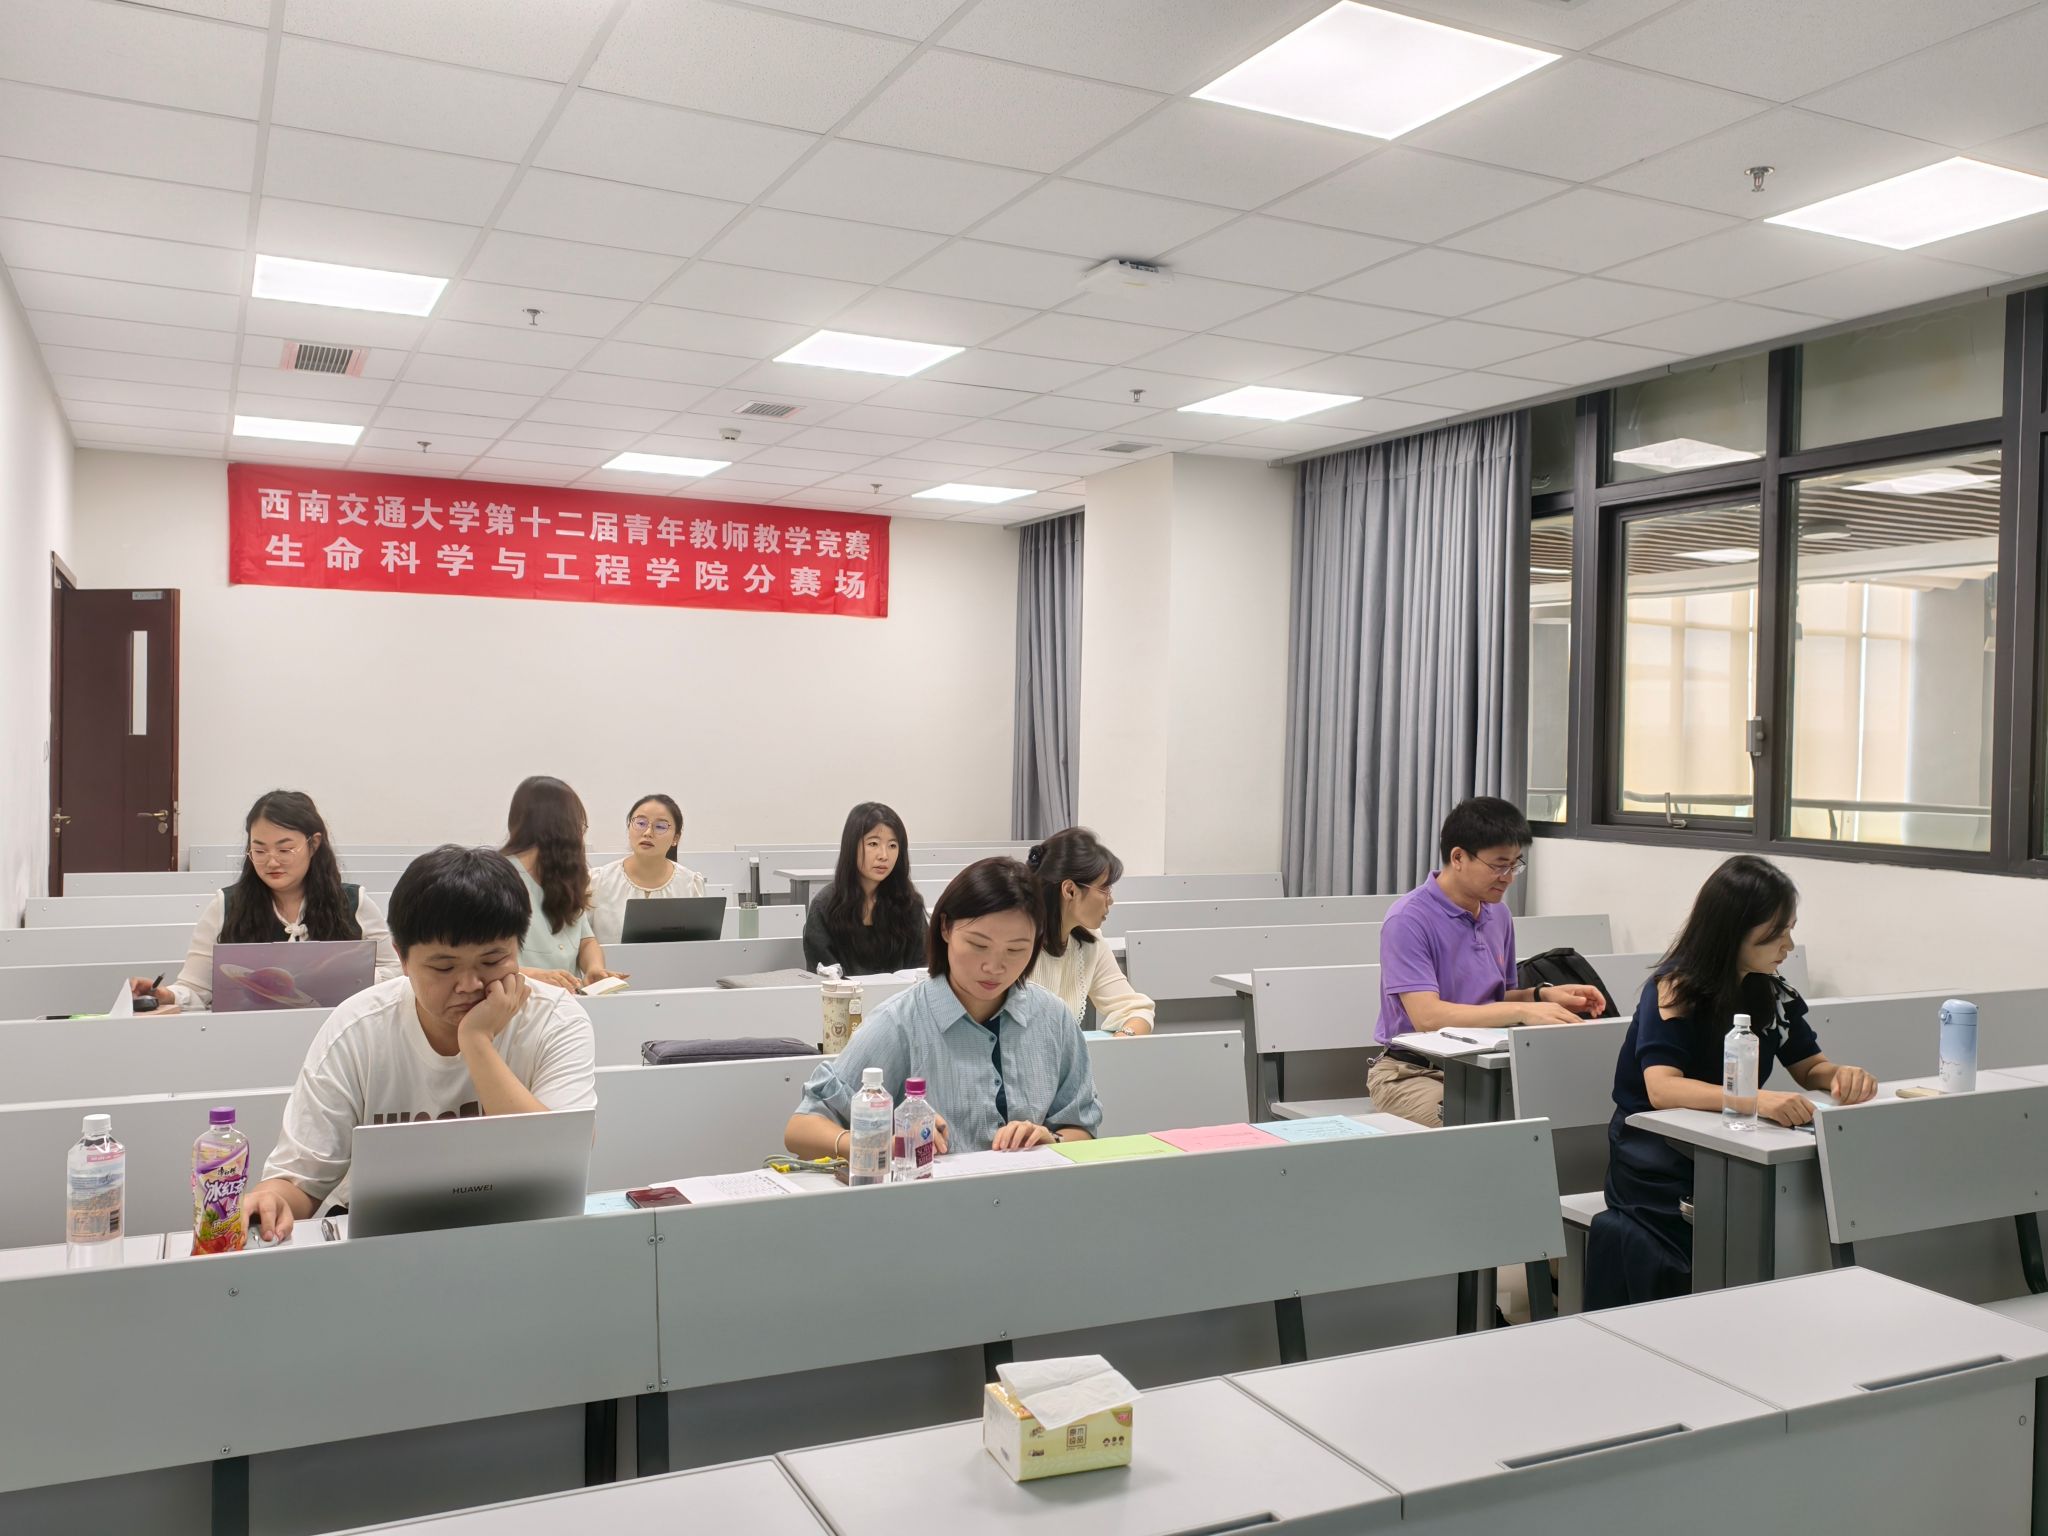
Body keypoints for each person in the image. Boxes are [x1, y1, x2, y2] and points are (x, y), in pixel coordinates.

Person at [242, 844, 600, 1240]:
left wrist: (476, 1042)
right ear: (402, 958)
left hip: (520, 1233)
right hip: (384, 1240)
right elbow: (300, 1180)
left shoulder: (555, 1020)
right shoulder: (359, 1027)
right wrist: (271, 1199)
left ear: (518, 947)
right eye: (443, 967)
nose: (469, 985)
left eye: (492, 961)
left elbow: (558, 1161)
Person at [1585, 856, 1877, 1308]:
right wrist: (1756, 1100)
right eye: (1774, 934)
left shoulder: (1770, 989)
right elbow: (1663, 1088)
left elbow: (1809, 1066)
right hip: (1658, 1159)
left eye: (1790, 930)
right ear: (1732, 932)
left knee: (1791, 1211)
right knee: (1730, 1235)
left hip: (1733, 1144)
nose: (1788, 945)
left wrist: (1842, 1076)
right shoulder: (1675, 988)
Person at [784, 857, 1102, 1158]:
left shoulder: (1053, 1018)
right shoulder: (899, 1023)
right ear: (946, 928)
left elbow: (1082, 1128)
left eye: (1016, 949)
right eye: (978, 945)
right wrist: (880, 1143)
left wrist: (1052, 1140)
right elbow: (801, 1128)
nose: (994, 966)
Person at [1367, 796, 1605, 1127]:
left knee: (1570, 1109)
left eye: (1515, 865)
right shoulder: (1408, 919)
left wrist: (1541, 995)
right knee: (1474, 1129)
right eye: (1499, 865)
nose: (1508, 877)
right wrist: (1524, 1012)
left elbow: (1494, 998)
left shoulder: (1499, 914)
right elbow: (1427, 1017)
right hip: (1412, 1073)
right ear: (1458, 857)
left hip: (1485, 1069)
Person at [129, 789, 399, 1014]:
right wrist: (165, 995)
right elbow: (196, 989)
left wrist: (347, 977)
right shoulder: (226, 906)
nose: (271, 861)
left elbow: (396, 973)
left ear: (314, 844)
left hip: (334, 1033)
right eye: (259, 850)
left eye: (285, 849)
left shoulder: (353, 903)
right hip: (249, 1036)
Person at [1024, 827, 1154, 1036]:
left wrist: (1125, 1037)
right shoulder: (1014, 943)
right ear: (1070, 890)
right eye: (1104, 889)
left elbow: (1136, 1009)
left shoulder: (1089, 942)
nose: (1110, 900)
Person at [500, 775, 621, 992]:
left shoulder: (563, 878)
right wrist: (534, 977)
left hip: (568, 1002)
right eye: (579, 826)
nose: (581, 835)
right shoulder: (495, 880)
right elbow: (477, 963)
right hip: (519, 1001)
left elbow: (586, 940)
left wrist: (594, 968)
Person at [801, 801, 928, 975]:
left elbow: (922, 969)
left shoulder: (909, 903)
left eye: (892, 845)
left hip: (902, 993)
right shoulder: (825, 905)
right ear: (852, 846)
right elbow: (823, 975)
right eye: (873, 844)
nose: (884, 856)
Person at [589, 793, 708, 946]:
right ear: (629, 828)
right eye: (640, 823)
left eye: (660, 827)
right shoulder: (597, 881)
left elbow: (699, 947)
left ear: (675, 838)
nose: (647, 833)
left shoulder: (690, 884)